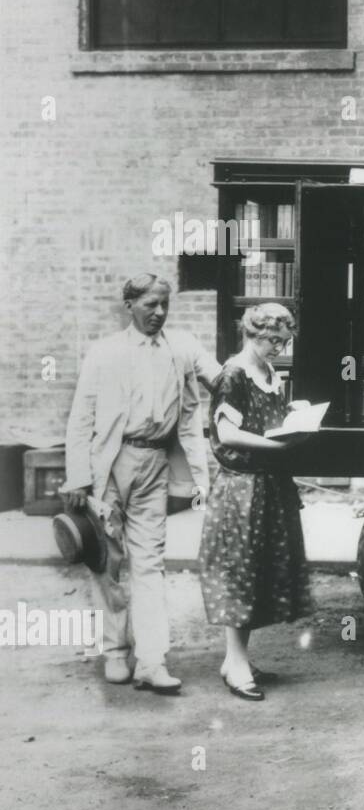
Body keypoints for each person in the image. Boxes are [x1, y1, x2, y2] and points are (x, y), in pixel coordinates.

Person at [62, 273, 221, 694]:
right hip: (110, 464)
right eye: (151, 304)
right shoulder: (105, 353)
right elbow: (81, 417)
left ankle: (152, 660)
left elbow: (221, 378)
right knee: (109, 560)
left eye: (165, 304)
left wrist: (259, 362)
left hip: (154, 463)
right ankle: (115, 650)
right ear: (129, 304)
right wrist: (79, 475)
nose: (160, 312)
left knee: (150, 562)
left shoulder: (181, 346)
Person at [197, 303, 311, 701]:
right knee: (240, 573)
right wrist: (275, 447)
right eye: (273, 340)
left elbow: (265, 421)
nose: (280, 347)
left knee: (259, 571)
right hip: (243, 486)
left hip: (268, 484)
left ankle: (236, 660)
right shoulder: (234, 374)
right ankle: (236, 662)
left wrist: (293, 419)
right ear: (253, 334)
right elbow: (227, 434)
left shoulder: (269, 373)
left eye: (284, 340)